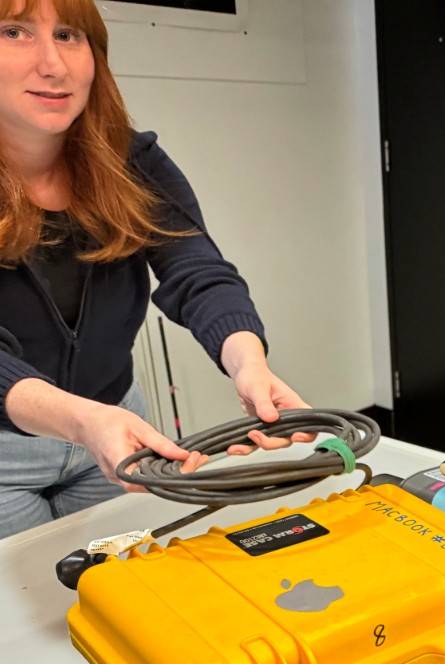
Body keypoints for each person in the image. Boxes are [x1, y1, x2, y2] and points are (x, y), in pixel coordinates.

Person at [0, 0, 308, 540]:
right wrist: (81, 420)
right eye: (14, 32)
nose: (52, 63)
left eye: (69, 35)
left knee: (126, 589)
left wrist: (248, 363)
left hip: (117, 420)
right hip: (11, 453)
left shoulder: (132, 162)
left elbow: (196, 268)